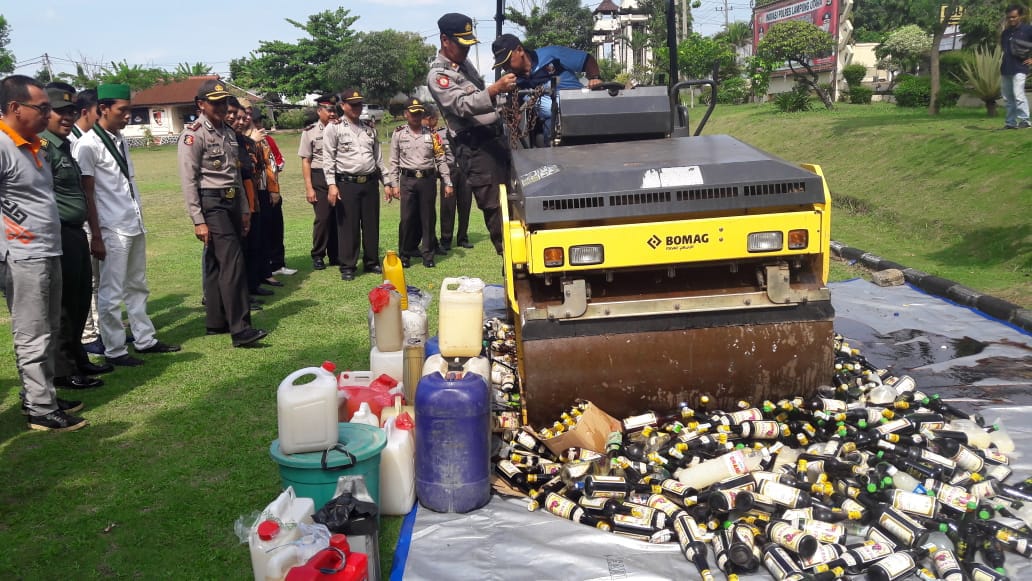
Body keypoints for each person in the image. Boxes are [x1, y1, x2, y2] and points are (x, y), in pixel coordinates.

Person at [0, 74, 87, 431]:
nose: (48, 114)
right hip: (22, 255)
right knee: (33, 332)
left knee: (49, 328)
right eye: (42, 108)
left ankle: (39, 394)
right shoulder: (3, 145)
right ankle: (40, 409)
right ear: (14, 108)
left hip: (47, 249)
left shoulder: (33, 144)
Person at [74, 84, 182, 367]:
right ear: (103, 109)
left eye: (130, 111)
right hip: (111, 228)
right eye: (122, 111)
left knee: (137, 285)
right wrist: (95, 235)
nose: (127, 117)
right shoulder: (88, 144)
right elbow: (87, 192)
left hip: (132, 221)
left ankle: (145, 339)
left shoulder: (119, 139)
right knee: (110, 292)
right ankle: (114, 349)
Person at [178, 80, 268, 348]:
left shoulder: (227, 132)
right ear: (200, 104)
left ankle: (216, 321)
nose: (219, 107)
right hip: (211, 202)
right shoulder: (193, 135)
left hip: (231, 202)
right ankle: (241, 329)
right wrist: (198, 220)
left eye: (222, 102)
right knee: (233, 262)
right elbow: (188, 180)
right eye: (214, 102)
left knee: (219, 264)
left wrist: (243, 209)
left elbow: (235, 175)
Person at [427, 13, 517, 255]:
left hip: (495, 138)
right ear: (445, 40)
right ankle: (511, 261)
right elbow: (462, 105)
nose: (466, 50)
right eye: (461, 44)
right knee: (496, 208)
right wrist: (494, 90)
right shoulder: (438, 76)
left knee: (515, 199)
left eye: (469, 44)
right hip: (476, 148)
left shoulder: (464, 64)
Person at [40, 82, 110, 390]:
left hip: (74, 231)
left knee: (81, 298)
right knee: (65, 305)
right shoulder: (42, 148)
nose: (66, 118)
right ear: (46, 113)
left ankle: (78, 357)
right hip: (57, 233)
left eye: (70, 112)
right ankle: (64, 369)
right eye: (60, 112)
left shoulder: (63, 144)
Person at [322, 88, 391, 281]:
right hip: (347, 183)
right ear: (343, 106)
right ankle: (348, 265)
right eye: (352, 105)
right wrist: (331, 185)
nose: (357, 108)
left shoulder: (369, 128)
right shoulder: (334, 128)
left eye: (359, 104)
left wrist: (386, 181)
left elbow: (378, 158)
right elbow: (329, 158)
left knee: (371, 224)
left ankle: (371, 261)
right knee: (348, 226)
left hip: (369, 182)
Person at [491, 33, 603, 138]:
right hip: (551, 128)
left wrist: (595, 78)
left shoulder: (552, 54)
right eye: (502, 64)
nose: (505, 68)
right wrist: (512, 116)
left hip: (580, 113)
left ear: (520, 50)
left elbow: (587, 60)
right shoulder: (514, 82)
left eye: (507, 61)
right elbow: (515, 111)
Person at [389, 98, 452, 268]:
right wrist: (394, 184)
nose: (416, 117)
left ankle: (428, 254)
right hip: (407, 180)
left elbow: (441, 159)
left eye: (419, 113)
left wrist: (448, 182)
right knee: (407, 219)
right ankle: (405, 254)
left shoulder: (432, 134)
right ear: (406, 114)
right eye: (413, 113)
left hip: (427, 180)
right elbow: (393, 161)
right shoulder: (398, 133)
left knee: (428, 218)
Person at [69, 88, 106, 355]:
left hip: (98, 218)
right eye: (98, 112)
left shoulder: (95, 138)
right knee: (89, 282)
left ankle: (103, 328)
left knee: (100, 280)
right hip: (80, 220)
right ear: (85, 112)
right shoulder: (73, 141)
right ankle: (88, 334)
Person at [251, 109, 294, 277]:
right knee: (262, 231)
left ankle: (277, 263)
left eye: (260, 123)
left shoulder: (268, 140)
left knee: (276, 228)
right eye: (256, 123)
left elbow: (279, 162)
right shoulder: (247, 142)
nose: (259, 127)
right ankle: (265, 266)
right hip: (257, 193)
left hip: (273, 189)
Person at [300, 93, 341, 271]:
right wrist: (309, 187)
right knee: (323, 218)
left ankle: (336, 254)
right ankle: (318, 254)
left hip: (339, 175)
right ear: (319, 111)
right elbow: (306, 160)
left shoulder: (341, 128)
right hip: (319, 176)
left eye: (335, 110)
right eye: (329, 110)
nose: (333, 114)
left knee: (339, 218)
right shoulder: (310, 132)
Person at [423, 104, 472, 253]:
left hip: (464, 171)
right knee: (447, 208)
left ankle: (463, 238)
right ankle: (446, 239)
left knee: (465, 206)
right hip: (449, 171)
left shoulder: (467, 132)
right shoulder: (440, 133)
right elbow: (437, 155)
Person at [1001, 4, 1032, 129]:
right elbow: (1004, 49)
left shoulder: (1028, 29)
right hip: (1006, 68)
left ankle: (1025, 121)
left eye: (1014, 17)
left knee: (1018, 94)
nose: (1011, 19)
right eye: (1009, 17)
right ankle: (1010, 123)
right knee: (1008, 98)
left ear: (1020, 16)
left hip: (1020, 67)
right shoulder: (1006, 33)